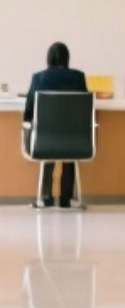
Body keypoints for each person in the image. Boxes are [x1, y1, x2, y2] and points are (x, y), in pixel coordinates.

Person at [24, 42, 89, 208]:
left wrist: (28, 125)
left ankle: (45, 197)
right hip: (75, 141)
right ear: (67, 58)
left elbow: (29, 109)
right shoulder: (79, 77)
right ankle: (67, 198)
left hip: (45, 141)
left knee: (45, 140)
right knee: (69, 143)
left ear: (48, 58)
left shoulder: (39, 78)